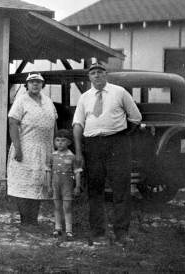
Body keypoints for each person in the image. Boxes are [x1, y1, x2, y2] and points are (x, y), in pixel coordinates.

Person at [73, 62, 142, 244]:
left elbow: (135, 117)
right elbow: (78, 124)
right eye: (93, 73)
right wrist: (79, 152)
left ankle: (122, 233)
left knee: (121, 189)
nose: (96, 75)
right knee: (95, 189)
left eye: (100, 72)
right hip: (93, 146)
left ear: (106, 74)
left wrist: (121, 137)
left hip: (117, 145)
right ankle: (98, 233)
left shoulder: (119, 92)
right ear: (89, 77)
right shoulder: (85, 98)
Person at [8, 73, 57, 225]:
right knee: (25, 185)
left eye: (38, 82)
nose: (35, 85)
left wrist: (55, 146)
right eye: (32, 82)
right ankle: (25, 221)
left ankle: (33, 220)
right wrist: (18, 148)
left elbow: (54, 123)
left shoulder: (48, 101)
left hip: (45, 148)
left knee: (38, 184)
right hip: (26, 147)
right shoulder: (21, 100)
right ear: (26, 85)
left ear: (43, 85)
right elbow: (13, 123)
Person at [46, 129, 82, 240]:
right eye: (57, 140)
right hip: (55, 185)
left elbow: (77, 172)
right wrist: (48, 186)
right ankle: (57, 228)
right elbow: (48, 171)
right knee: (57, 207)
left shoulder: (72, 157)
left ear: (69, 142)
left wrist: (77, 186)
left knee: (67, 207)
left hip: (67, 185)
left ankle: (69, 230)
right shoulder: (52, 156)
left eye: (63, 140)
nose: (60, 143)